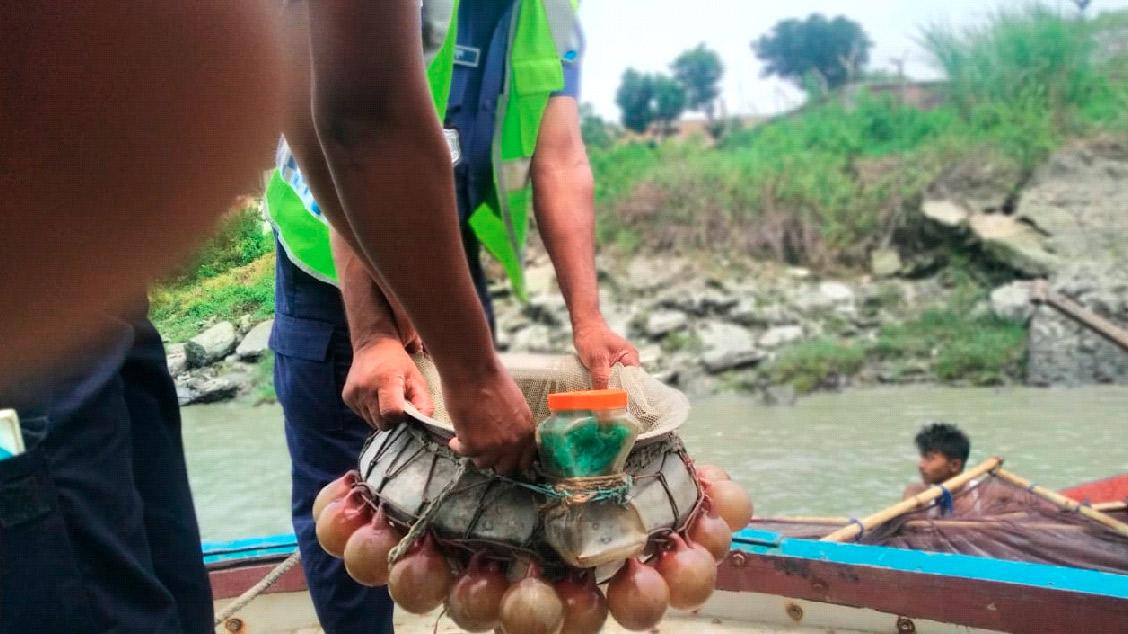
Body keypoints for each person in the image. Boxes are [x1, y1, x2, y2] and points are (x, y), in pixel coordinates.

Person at [0, 1, 552, 630]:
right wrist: (471, 376)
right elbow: (363, 116)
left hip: (99, 283)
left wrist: (402, 325)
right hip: (26, 291)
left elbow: (315, 102)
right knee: (85, 590)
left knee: (166, 584)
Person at [269, 1, 639, 630]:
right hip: (333, 267)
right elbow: (355, 131)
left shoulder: (551, 11)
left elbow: (561, 159)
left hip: (444, 261)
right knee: (351, 505)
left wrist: (588, 321)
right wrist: (375, 333)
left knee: (486, 476)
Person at [902, 422, 971, 500]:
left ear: (954, 465)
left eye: (930, 458)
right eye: (922, 456)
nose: (921, 465)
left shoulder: (980, 495)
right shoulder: (916, 495)